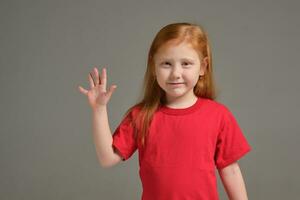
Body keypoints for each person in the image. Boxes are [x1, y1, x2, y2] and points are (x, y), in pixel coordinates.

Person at [78, 22, 252, 200]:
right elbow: (107, 158)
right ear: (153, 66)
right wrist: (99, 110)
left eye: (186, 63)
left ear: (203, 67)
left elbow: (230, 170)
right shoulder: (141, 115)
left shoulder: (218, 115)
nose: (176, 73)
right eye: (166, 64)